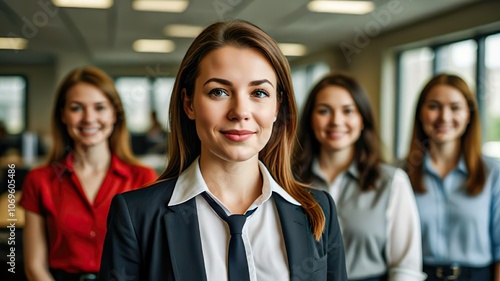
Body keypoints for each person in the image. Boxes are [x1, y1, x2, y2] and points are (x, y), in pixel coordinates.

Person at [99, 20, 348, 281]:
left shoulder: (318, 210)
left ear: (277, 106)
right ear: (189, 103)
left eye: (259, 93)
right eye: (218, 91)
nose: (240, 111)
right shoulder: (137, 215)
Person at [20, 66, 158, 281]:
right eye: (76, 108)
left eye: (100, 107)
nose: (88, 118)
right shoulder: (39, 181)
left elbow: (153, 259)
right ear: (62, 115)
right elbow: (34, 267)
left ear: (115, 114)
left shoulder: (143, 178)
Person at [293, 72, 426, 281]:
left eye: (348, 111)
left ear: (362, 119)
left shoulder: (391, 182)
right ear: (310, 119)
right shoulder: (287, 180)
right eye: (324, 111)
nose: (336, 121)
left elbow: (405, 268)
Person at [404, 73, 500, 281]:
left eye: (455, 107)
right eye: (434, 106)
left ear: (468, 115)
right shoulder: (399, 174)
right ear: (420, 113)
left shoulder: (494, 173)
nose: (444, 117)